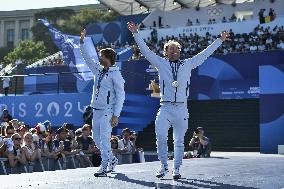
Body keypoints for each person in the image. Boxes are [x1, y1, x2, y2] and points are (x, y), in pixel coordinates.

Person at [127, 21, 229, 179]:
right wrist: (135, 33)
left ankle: (177, 169)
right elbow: (146, 51)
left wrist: (219, 40)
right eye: (170, 49)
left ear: (180, 51)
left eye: (176, 49)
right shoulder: (161, 63)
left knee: (179, 141)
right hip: (165, 107)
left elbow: (205, 54)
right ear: (165, 52)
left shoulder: (188, 64)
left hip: (182, 108)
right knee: (160, 136)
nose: (174, 51)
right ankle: (162, 166)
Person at [80, 29, 125, 177]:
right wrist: (82, 44)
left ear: (108, 57)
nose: (99, 58)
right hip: (96, 110)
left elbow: (121, 95)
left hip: (108, 110)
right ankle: (112, 159)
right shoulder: (98, 70)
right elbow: (87, 59)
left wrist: (116, 115)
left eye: (101, 56)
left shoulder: (116, 74)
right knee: (98, 140)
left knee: (105, 139)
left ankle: (104, 166)